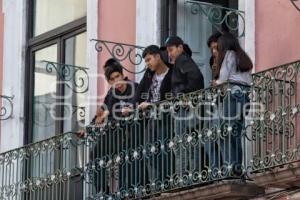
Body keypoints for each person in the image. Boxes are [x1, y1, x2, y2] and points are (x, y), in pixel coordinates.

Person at [86, 58, 138, 194]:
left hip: (131, 133)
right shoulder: (111, 93)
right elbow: (102, 111)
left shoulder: (135, 88)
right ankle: (103, 190)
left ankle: (126, 190)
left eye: (117, 77)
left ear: (122, 75)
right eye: (112, 79)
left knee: (126, 155)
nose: (116, 81)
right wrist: (88, 128)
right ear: (109, 82)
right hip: (113, 133)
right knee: (96, 153)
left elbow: (135, 107)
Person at [210, 32, 252, 178]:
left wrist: (215, 83)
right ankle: (237, 169)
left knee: (225, 133)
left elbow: (222, 79)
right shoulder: (242, 57)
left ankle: (230, 169)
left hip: (232, 96)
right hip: (244, 97)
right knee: (235, 134)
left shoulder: (228, 55)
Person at [165, 36, 205, 183]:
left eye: (171, 50)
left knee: (183, 142)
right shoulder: (181, 61)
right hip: (187, 107)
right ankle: (192, 176)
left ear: (180, 48)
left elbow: (197, 78)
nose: (169, 54)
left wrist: (184, 94)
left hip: (185, 109)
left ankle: (184, 177)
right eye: (168, 51)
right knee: (189, 141)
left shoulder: (183, 59)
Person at [133, 45, 173, 186]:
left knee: (164, 150)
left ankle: (166, 181)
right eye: (146, 61)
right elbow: (139, 93)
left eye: (149, 59)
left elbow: (173, 97)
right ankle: (165, 179)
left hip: (167, 118)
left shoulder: (171, 73)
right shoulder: (149, 74)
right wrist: (133, 107)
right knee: (149, 152)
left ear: (157, 56)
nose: (148, 63)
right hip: (152, 118)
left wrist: (151, 105)